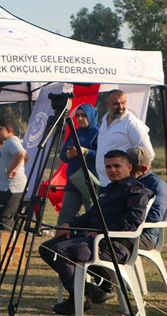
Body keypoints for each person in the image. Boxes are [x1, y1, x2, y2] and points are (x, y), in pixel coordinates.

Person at [39, 149, 153, 314]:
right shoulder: (108, 190)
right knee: (47, 248)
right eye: (108, 167)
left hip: (113, 246)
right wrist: (68, 224)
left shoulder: (137, 191)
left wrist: (104, 233)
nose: (112, 170)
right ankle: (89, 292)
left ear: (129, 167)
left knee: (61, 250)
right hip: (94, 240)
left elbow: (133, 220)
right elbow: (90, 216)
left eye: (116, 166)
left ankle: (77, 299)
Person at [94, 89, 155, 188]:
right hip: (105, 183)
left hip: (124, 185)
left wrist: (133, 177)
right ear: (107, 103)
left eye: (123, 103)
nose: (121, 107)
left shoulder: (132, 123)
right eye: (116, 104)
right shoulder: (104, 121)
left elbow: (148, 154)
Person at [57, 103, 100, 225]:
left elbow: (103, 156)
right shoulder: (74, 132)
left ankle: (92, 242)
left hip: (90, 180)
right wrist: (68, 155)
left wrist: (85, 151)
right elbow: (62, 155)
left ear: (91, 116)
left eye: (84, 115)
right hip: (73, 180)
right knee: (65, 215)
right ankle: (59, 241)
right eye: (78, 116)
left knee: (93, 214)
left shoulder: (99, 133)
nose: (80, 118)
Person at [126, 146, 167, 251]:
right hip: (123, 230)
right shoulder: (126, 181)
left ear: (143, 169)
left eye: (129, 167)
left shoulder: (157, 185)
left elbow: (155, 216)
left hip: (146, 236)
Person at [0, 117, 26, 230]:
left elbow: (21, 154)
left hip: (10, 188)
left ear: (9, 130)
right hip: (9, 187)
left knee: (3, 217)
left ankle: (7, 245)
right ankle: (15, 244)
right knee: (10, 218)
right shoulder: (9, 142)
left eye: (0, 129)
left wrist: (11, 170)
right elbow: (26, 157)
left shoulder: (11, 141)